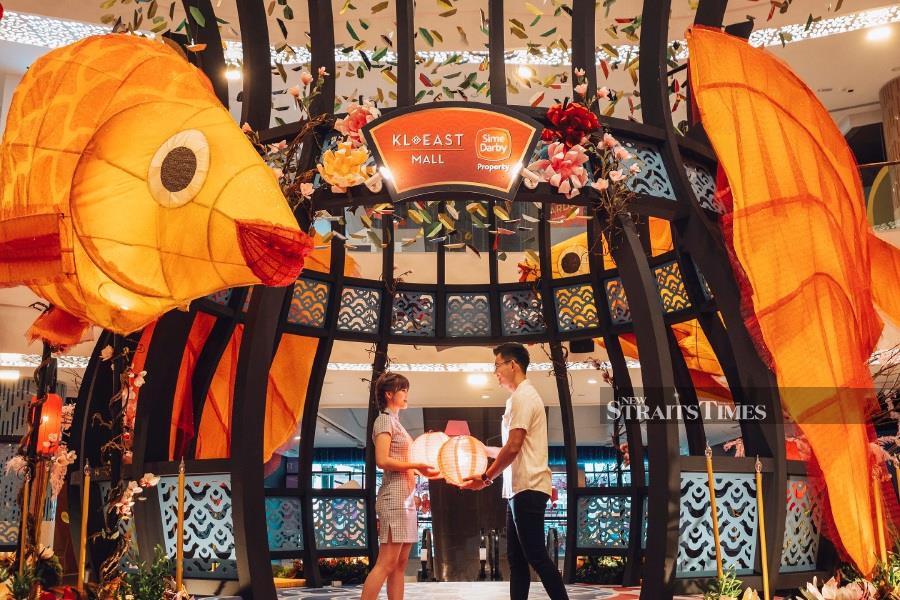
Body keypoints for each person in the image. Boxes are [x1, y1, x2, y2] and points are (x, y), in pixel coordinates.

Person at [461, 343, 569, 600]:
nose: (495, 372)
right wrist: (480, 449)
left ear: (513, 365)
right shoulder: (521, 397)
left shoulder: (523, 397)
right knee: (518, 560)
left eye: (497, 365)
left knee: (536, 556)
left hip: (528, 487)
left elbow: (514, 447)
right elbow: (513, 448)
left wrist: (486, 478)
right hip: (519, 489)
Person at [361, 372, 438, 600]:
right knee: (386, 563)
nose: (406, 395)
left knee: (399, 564)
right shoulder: (384, 420)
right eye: (403, 390)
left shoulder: (396, 422)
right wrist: (416, 465)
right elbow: (382, 460)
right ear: (389, 394)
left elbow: (404, 459)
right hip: (394, 498)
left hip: (405, 499)